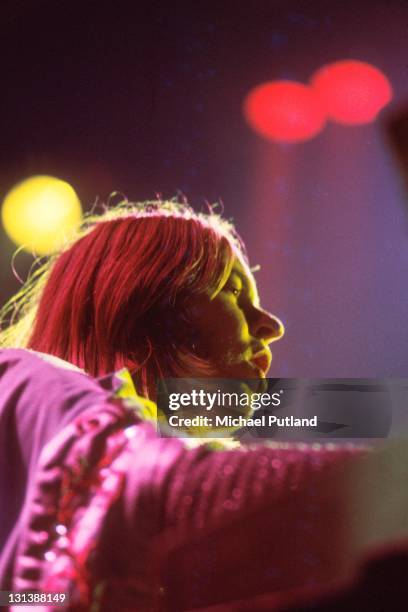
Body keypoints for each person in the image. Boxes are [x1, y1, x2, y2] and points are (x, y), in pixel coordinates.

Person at [0, 200, 405, 611]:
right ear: (142, 307)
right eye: (232, 291)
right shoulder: (19, 378)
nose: (271, 325)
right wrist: (387, 486)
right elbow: (137, 491)